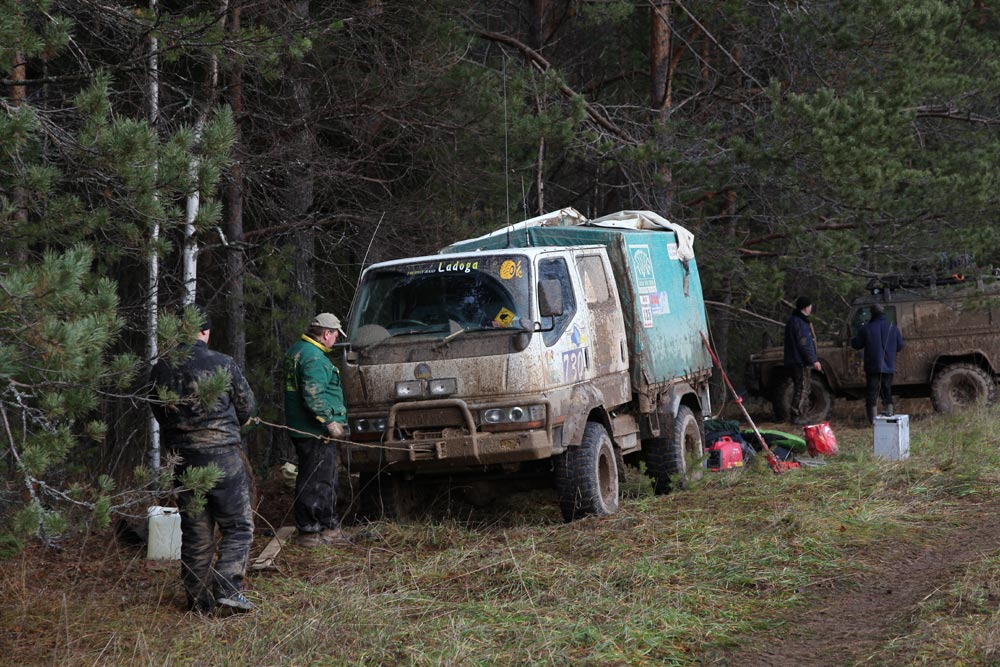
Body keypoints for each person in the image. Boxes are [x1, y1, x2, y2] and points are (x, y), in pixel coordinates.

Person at [149, 305, 257, 614]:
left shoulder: (160, 370)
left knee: (196, 533)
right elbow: (246, 407)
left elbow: (159, 412)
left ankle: (198, 600)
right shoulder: (222, 363)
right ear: (205, 332)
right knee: (238, 526)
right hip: (224, 457)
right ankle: (228, 589)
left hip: (183, 460)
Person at [283, 313, 351, 548]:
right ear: (326, 333)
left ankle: (325, 526)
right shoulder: (313, 357)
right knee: (318, 480)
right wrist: (330, 422)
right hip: (315, 431)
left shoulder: (297, 350)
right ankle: (312, 530)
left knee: (318, 477)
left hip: (304, 429)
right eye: (335, 335)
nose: (336, 340)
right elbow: (313, 395)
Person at [851, 303, 905, 424]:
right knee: (887, 390)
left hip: (872, 366)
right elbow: (900, 346)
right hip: (889, 365)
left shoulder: (866, 328)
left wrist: (854, 336)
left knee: (872, 392)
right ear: (883, 312)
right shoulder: (892, 327)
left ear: (872, 313)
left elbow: (856, 344)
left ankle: (873, 420)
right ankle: (890, 416)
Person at [783, 296, 822, 425]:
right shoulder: (800, 323)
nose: (811, 308)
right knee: (803, 389)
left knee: (801, 388)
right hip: (800, 362)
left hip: (794, 360)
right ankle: (797, 415)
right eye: (810, 306)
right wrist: (813, 360)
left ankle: (801, 414)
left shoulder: (794, 321)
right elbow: (804, 344)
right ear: (806, 307)